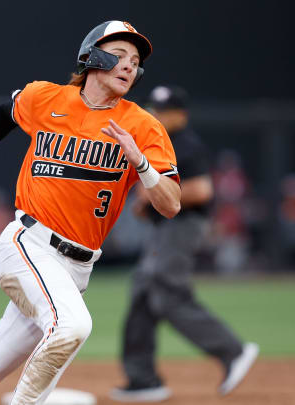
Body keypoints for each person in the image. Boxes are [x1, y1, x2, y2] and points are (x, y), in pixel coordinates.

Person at [0, 21, 181, 405]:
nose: (130, 66)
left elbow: (171, 203)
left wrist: (141, 164)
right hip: (27, 243)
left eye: (136, 62)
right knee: (72, 326)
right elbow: (4, 114)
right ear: (92, 56)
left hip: (78, 267)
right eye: (119, 56)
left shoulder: (143, 127)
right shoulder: (46, 98)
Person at [109, 85, 259, 403]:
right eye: (156, 109)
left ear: (181, 115)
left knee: (166, 293)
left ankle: (232, 350)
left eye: (165, 111)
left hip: (183, 226)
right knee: (142, 294)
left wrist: (150, 196)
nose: (158, 115)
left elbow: (203, 191)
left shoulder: (187, 145)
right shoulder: (160, 140)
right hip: (164, 227)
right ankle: (142, 378)